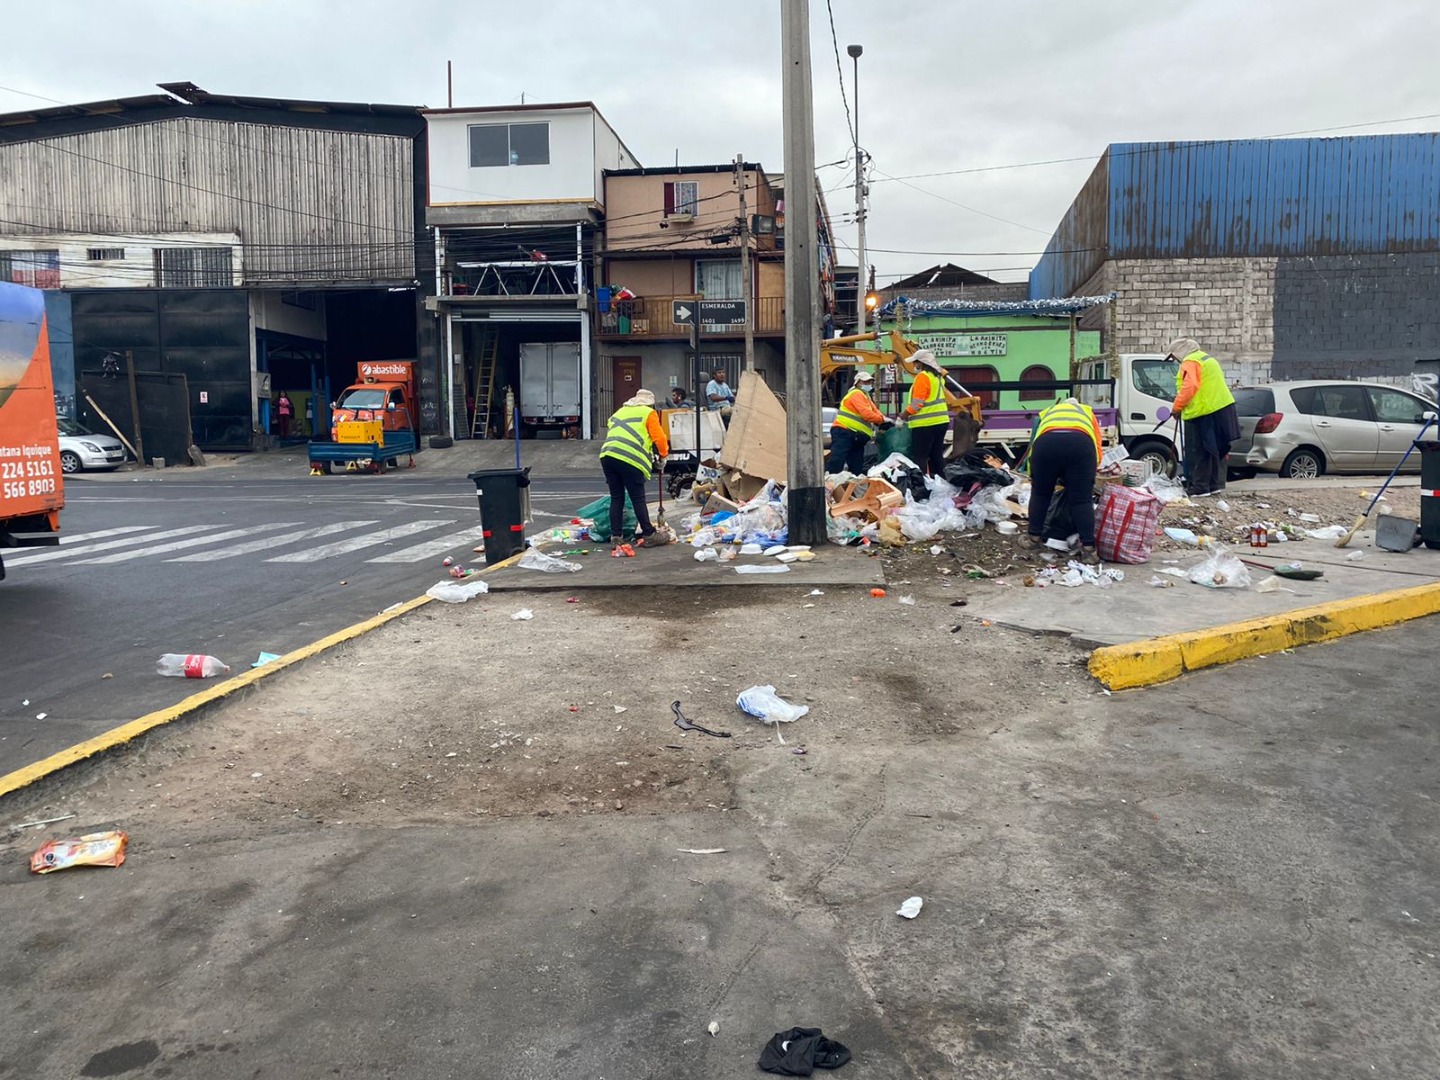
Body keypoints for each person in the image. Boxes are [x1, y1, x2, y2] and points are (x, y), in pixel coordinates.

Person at [1025, 396, 1103, 564]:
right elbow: (1097, 444)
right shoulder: (1087, 412)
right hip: (1081, 446)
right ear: (1078, 405)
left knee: (1041, 494)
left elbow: (1034, 442)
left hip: (1046, 445)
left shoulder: (1049, 412)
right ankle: (1089, 550)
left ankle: (1033, 539)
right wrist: (1090, 474)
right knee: (1081, 500)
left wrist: (1034, 477)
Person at [1166, 338, 1240, 497]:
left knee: (1202, 451)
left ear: (1180, 351)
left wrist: (1176, 407)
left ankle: (1200, 487)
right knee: (1212, 450)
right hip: (1221, 408)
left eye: (1173, 356)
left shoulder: (1190, 361)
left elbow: (1190, 387)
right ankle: (1213, 485)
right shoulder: (1206, 359)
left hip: (1206, 411)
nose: (1174, 360)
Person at [599, 388, 670, 552]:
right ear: (650, 404)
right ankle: (649, 534)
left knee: (616, 497)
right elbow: (659, 438)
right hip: (630, 458)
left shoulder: (618, 412)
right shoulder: (648, 413)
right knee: (637, 498)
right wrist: (663, 456)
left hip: (607, 455)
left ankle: (616, 536)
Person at [826, 371, 887, 475]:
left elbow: (875, 411)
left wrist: (883, 419)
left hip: (856, 436)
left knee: (855, 466)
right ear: (858, 383)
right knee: (837, 463)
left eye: (870, 382)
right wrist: (882, 420)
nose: (868, 384)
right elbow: (867, 415)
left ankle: (849, 489)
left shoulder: (865, 396)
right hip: (844, 431)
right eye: (866, 382)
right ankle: (830, 487)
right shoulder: (856, 394)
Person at [904, 350, 951, 476]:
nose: (914, 364)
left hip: (925, 424)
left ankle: (921, 485)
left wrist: (903, 415)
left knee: (920, 457)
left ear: (921, 363)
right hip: (941, 422)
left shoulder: (923, 377)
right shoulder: (938, 377)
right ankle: (941, 483)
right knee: (937, 456)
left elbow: (917, 404)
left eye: (915, 362)